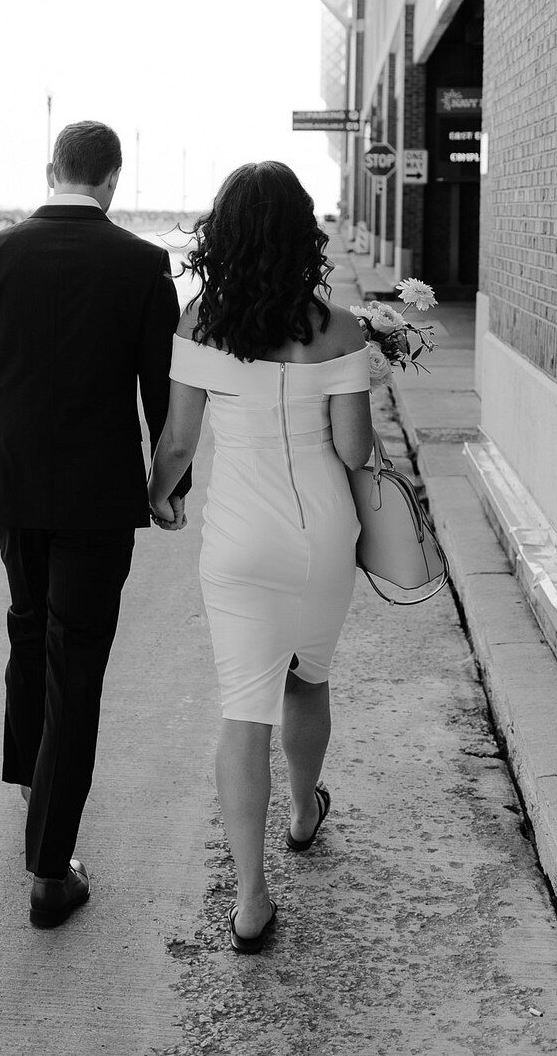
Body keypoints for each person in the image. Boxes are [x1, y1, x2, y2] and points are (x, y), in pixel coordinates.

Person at [0, 121, 189, 929]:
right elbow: (163, 390)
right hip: (98, 500)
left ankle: (34, 790)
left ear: (52, 171)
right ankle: (48, 871)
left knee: (29, 630)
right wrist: (167, 486)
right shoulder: (143, 265)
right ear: (113, 178)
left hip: (13, 492)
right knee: (76, 662)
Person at [147, 161, 373, 954]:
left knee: (243, 711)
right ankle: (305, 813)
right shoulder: (339, 328)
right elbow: (353, 448)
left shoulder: (198, 322)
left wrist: (159, 495)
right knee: (308, 676)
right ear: (302, 231)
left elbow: (178, 441)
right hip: (322, 538)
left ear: (225, 235)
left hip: (238, 542)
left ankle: (250, 901)